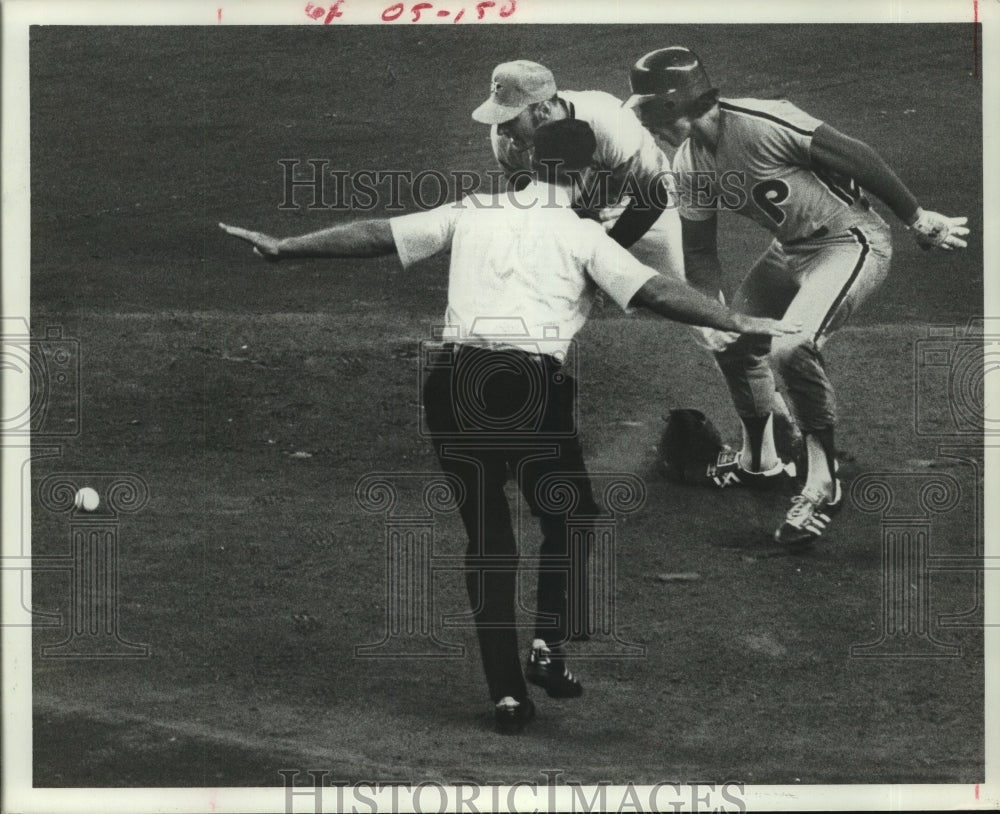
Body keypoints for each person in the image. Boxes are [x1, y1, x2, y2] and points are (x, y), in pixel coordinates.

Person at [220, 119, 801, 734]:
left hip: (453, 382)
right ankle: (548, 646)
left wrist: (287, 247)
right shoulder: (582, 234)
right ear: (586, 176)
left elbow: (375, 235)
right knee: (570, 518)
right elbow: (657, 291)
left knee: (488, 539)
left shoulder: (472, 210)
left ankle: (506, 695)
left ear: (526, 164)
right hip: (525, 386)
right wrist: (737, 321)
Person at [623, 46, 970, 545]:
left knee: (791, 345)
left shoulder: (762, 121)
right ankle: (759, 460)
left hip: (848, 242)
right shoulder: (689, 164)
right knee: (733, 340)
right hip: (788, 252)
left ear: (672, 106)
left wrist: (916, 217)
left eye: (648, 111)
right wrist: (716, 316)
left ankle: (822, 482)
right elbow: (699, 252)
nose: (646, 124)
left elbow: (854, 154)